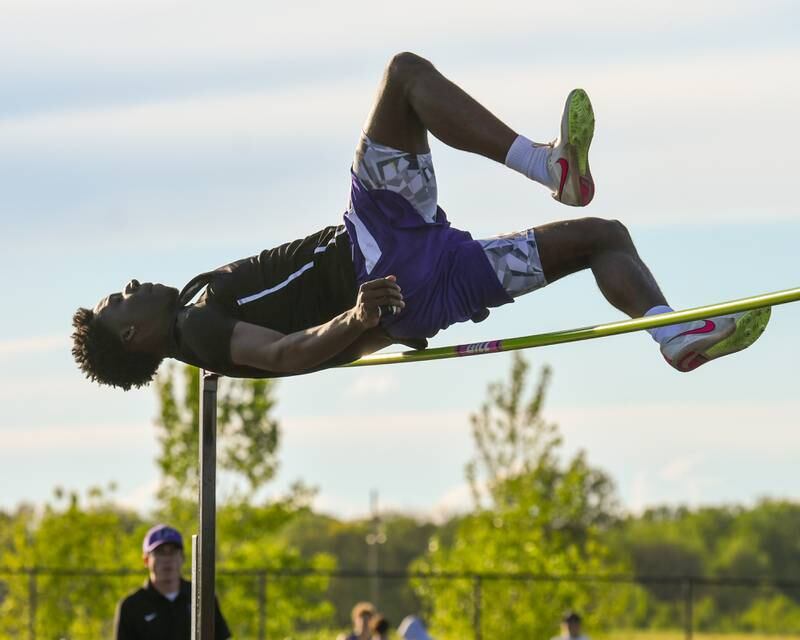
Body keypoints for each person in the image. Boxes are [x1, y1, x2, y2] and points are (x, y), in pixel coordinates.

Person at [72, 52, 771, 390]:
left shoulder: (202, 334)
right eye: (119, 298)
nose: (130, 282)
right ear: (133, 334)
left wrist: (378, 333)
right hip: (379, 250)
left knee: (603, 240)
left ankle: (675, 336)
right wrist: (358, 320)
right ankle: (547, 166)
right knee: (405, 75)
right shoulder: (198, 322)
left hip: (418, 293)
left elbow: (307, 344)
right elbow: (287, 354)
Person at [113, 524, 231, 640]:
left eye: (173, 552)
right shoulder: (131, 606)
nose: (167, 559)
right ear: (146, 560)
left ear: (182, 557)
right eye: (160, 552)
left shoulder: (202, 597)